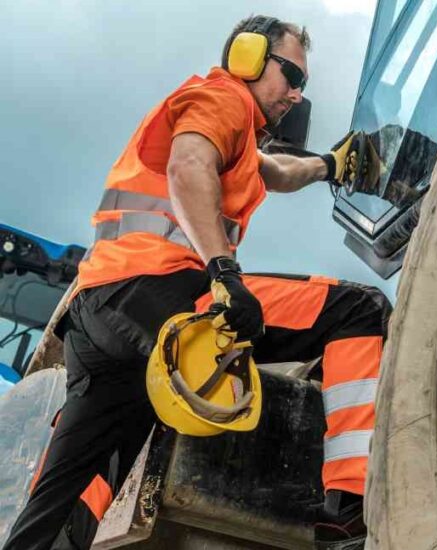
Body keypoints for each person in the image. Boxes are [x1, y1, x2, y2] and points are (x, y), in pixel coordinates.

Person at [3, 15, 388, 550]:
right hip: (159, 287)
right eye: (292, 78)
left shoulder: (234, 130)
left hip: (99, 310)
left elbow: (276, 172)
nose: (297, 96)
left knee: (78, 473)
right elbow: (188, 167)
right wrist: (224, 272)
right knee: (358, 309)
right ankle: (348, 511)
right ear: (248, 58)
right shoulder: (222, 97)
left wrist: (327, 165)